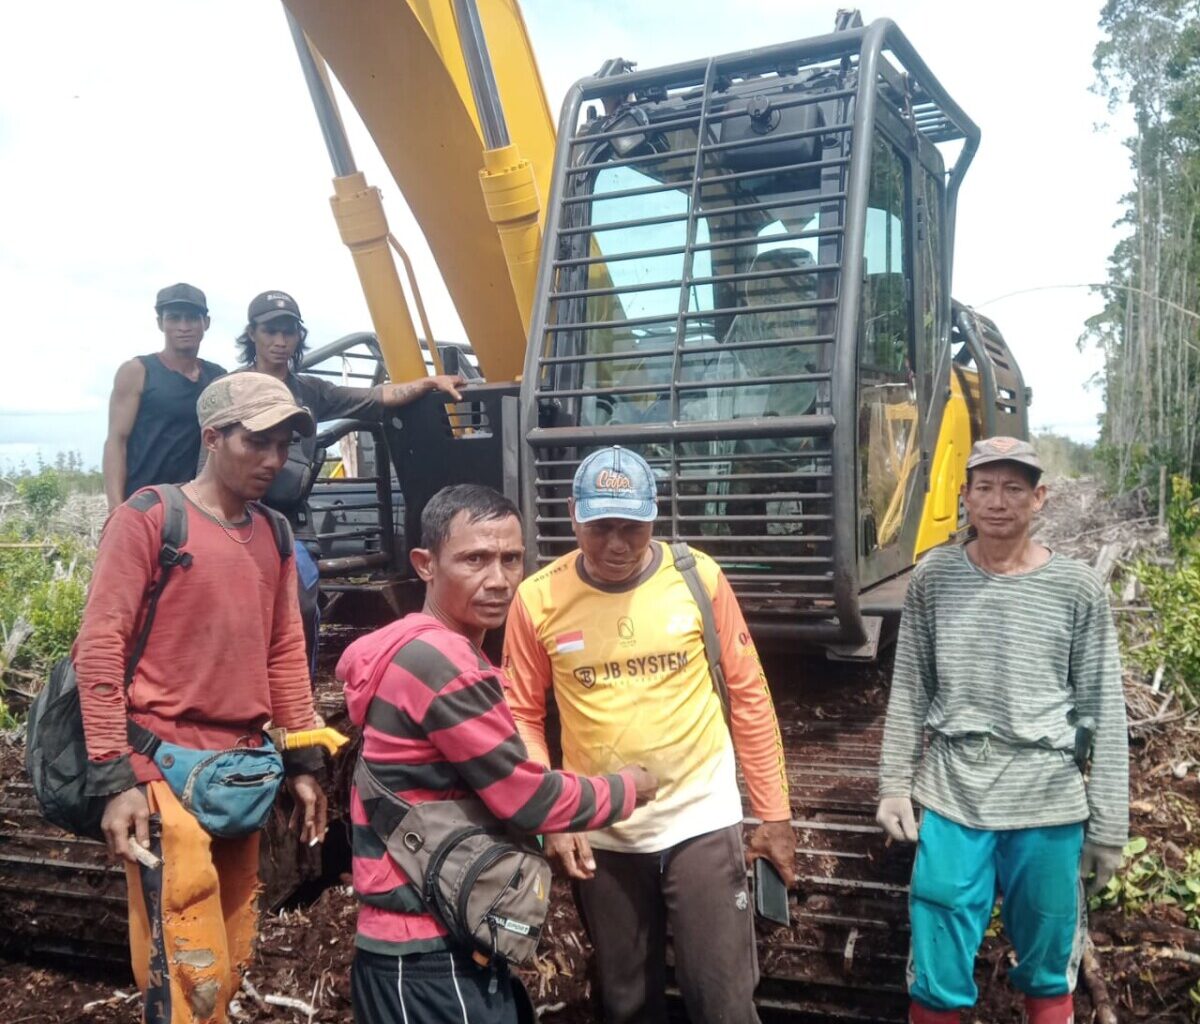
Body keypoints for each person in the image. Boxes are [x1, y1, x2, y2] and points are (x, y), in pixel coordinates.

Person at [337, 483, 657, 1024]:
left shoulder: (419, 647)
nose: (499, 579)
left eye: (511, 559)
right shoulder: (441, 663)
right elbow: (527, 799)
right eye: (475, 559)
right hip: (428, 952)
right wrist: (629, 787)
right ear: (425, 564)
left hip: (423, 943)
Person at [503, 445, 796, 1024]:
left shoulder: (697, 577)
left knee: (723, 1002)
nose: (616, 545)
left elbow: (749, 695)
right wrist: (553, 815)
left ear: (654, 517)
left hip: (700, 817)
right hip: (603, 832)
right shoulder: (538, 598)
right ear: (573, 516)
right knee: (627, 1003)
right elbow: (522, 714)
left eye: (632, 528)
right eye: (600, 528)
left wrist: (775, 814)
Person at [75, 372, 329, 1024]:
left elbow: (284, 651)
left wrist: (302, 761)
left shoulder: (274, 533)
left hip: (239, 765)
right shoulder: (151, 519)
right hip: (161, 764)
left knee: (233, 951)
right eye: (257, 442)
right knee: (186, 957)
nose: (274, 460)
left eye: (284, 445)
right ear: (212, 437)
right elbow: (100, 649)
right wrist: (115, 778)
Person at [876, 437, 1129, 1024]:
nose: (997, 501)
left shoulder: (1076, 588)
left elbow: (1103, 708)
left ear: (1039, 498)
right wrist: (893, 784)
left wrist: (1109, 828)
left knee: (1049, 967)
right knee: (936, 969)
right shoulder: (935, 577)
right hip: (953, 794)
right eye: (984, 487)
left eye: (1014, 488)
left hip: (1047, 800)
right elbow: (910, 686)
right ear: (964, 496)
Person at [235, 289, 464, 677]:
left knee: (301, 597)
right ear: (252, 333)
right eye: (270, 331)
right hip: (236, 515)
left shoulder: (310, 391)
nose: (280, 341)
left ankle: (298, 687)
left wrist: (426, 383)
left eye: (288, 331)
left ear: (298, 336)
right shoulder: (231, 389)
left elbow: (376, 396)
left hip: (289, 522)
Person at [103, 283, 226, 512]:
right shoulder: (137, 372)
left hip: (197, 506)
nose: (183, 327)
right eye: (174, 318)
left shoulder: (217, 378)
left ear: (206, 323)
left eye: (192, 318)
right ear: (160, 323)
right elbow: (116, 441)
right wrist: (116, 509)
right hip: (143, 503)